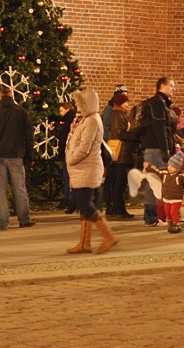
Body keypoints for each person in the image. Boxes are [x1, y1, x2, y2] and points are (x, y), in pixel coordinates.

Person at [65, 88, 116, 254]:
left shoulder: (92, 120)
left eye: (80, 103)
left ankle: (108, 236)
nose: (77, 106)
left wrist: (71, 159)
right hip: (82, 168)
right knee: (83, 205)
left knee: (85, 204)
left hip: (87, 166)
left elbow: (84, 147)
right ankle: (84, 243)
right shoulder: (84, 119)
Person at [0, 87, 36, 229]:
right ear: (12, 96)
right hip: (16, 155)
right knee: (20, 188)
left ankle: (3, 221)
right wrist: (29, 153)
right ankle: (24, 219)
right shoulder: (21, 112)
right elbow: (29, 135)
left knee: (0, 190)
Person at [139, 77, 176, 226]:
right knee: (155, 182)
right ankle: (152, 216)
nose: (174, 88)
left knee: (156, 182)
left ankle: (155, 215)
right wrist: (165, 148)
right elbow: (159, 127)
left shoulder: (159, 103)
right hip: (155, 148)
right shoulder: (157, 103)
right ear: (162, 86)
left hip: (155, 147)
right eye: (171, 86)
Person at [146, 152, 184, 234]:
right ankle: (170, 224)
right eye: (169, 166)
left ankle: (177, 224)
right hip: (166, 198)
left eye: (173, 167)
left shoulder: (180, 175)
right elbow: (156, 171)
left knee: (173, 212)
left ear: (178, 168)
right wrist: (149, 167)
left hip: (176, 198)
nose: (170, 168)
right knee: (168, 212)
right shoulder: (164, 173)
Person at [106, 92, 135, 220]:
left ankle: (118, 208)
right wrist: (135, 134)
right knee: (120, 181)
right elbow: (120, 134)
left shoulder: (121, 115)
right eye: (126, 102)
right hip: (121, 152)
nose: (128, 104)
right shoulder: (118, 115)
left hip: (124, 152)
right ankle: (119, 209)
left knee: (120, 181)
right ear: (120, 103)